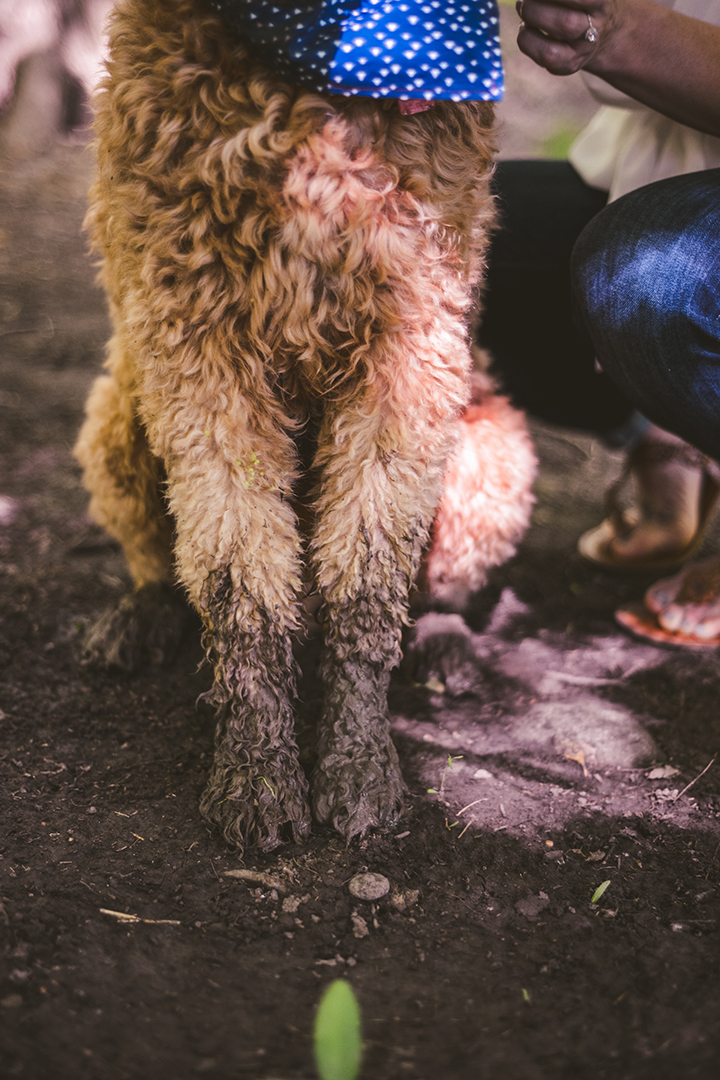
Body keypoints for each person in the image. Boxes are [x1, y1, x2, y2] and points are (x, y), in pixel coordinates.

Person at [479, 0, 720, 645]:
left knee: (646, 276)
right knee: (437, 239)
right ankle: (670, 440)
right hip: (669, 156)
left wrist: (617, 29)